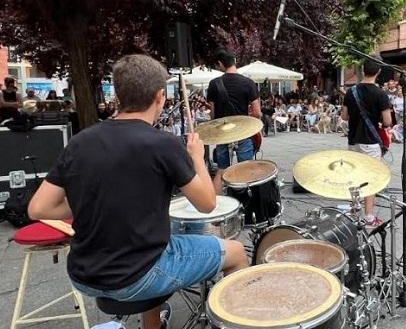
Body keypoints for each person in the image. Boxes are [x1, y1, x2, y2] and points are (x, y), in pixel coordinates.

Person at [27, 54, 249, 329]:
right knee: (237, 252)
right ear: (160, 96)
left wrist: (94, 199)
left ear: (119, 95)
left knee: (152, 244)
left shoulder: (80, 141)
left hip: (85, 275)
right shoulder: (163, 144)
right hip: (138, 275)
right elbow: (206, 204)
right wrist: (197, 158)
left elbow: (38, 209)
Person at [341, 57, 392, 226]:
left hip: (353, 139)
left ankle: (354, 210)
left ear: (363, 70)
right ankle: (369, 216)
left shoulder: (351, 91)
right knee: (371, 177)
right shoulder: (380, 94)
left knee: (355, 174)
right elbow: (387, 122)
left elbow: (344, 116)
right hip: (370, 142)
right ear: (378, 71)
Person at [207, 48, 261, 192]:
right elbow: (257, 113)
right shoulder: (248, 83)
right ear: (234, 62)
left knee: (221, 170)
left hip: (222, 134)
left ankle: (216, 205)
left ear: (220, 64)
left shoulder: (214, 84)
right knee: (246, 169)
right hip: (243, 134)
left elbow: (212, 116)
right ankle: (248, 205)